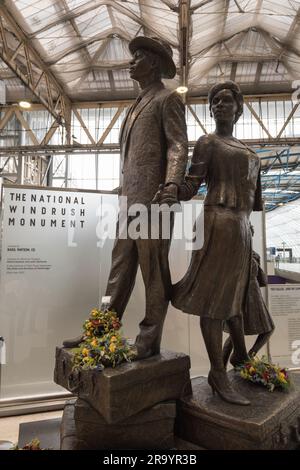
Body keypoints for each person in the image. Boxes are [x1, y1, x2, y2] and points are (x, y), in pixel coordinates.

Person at [63, 36, 188, 359]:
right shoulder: (135, 106)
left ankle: (148, 340)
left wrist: (172, 185)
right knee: (119, 270)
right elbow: (137, 158)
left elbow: (177, 145)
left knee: (153, 273)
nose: (130, 62)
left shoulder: (167, 99)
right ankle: (102, 331)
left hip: (156, 202)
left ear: (155, 64)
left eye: (138, 57)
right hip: (130, 202)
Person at [172, 81, 263, 406]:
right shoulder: (207, 142)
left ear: (239, 108)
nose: (220, 105)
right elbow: (192, 185)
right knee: (213, 301)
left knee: (235, 303)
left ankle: (237, 361)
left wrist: (250, 247)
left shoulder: (253, 156)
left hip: (240, 230)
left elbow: (253, 207)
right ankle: (217, 372)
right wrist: (170, 188)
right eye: (215, 101)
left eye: (227, 101)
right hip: (216, 223)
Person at [222, 226, 275, 367]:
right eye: (246, 235)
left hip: (254, 295)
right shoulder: (232, 254)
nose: (248, 238)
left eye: (250, 235)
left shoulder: (253, 254)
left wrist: (258, 264)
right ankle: (222, 366)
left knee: (267, 329)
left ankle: (246, 357)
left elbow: (262, 281)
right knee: (236, 332)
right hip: (240, 296)